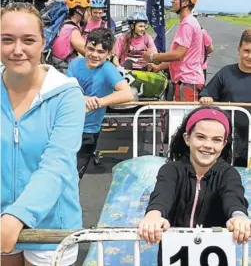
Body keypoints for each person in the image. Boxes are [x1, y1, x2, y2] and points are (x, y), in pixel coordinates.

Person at [1, 2, 85, 266]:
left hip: (52, 226)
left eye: (28, 40)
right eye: (7, 40)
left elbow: (57, 164)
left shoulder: (67, 95)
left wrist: (17, 215)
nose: (17, 50)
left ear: (42, 42)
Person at [138, 106, 250, 266]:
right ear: (187, 138)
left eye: (216, 139)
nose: (208, 145)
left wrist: (239, 217)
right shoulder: (171, 170)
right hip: (173, 255)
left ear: (224, 143)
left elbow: (233, 197)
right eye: (201, 137)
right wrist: (154, 215)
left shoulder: (228, 174)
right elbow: (163, 194)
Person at [67, 27, 133, 179]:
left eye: (101, 52)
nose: (94, 55)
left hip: (88, 133)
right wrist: (83, 99)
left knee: (73, 179)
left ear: (109, 54)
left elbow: (127, 93)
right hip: (67, 127)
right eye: (91, 49)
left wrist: (99, 102)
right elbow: (68, 91)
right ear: (84, 47)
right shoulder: (75, 64)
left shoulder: (108, 69)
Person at [143, 0, 204, 101]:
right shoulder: (188, 22)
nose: (172, 1)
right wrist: (159, 67)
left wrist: (152, 56)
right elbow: (180, 58)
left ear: (185, 3)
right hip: (186, 81)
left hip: (188, 81)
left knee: (183, 118)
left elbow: (178, 55)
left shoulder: (188, 24)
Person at [199, 28, 251, 167]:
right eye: (246, 51)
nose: (250, 56)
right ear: (239, 49)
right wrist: (206, 99)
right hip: (228, 142)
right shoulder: (225, 73)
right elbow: (206, 94)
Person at [51, 0, 91, 72]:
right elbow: (88, 53)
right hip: (63, 72)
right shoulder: (71, 29)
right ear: (79, 11)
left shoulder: (62, 24)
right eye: (87, 10)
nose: (89, 14)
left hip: (54, 67)